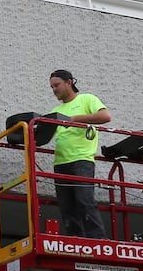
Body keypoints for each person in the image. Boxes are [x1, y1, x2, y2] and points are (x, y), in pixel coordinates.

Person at [47, 69, 110, 238]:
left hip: (82, 159)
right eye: (52, 87)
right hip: (60, 162)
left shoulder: (87, 99)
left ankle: (98, 239)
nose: (54, 90)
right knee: (67, 207)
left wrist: (74, 120)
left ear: (69, 82)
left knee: (84, 200)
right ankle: (76, 240)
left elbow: (105, 116)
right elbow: (45, 136)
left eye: (57, 85)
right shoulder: (57, 110)